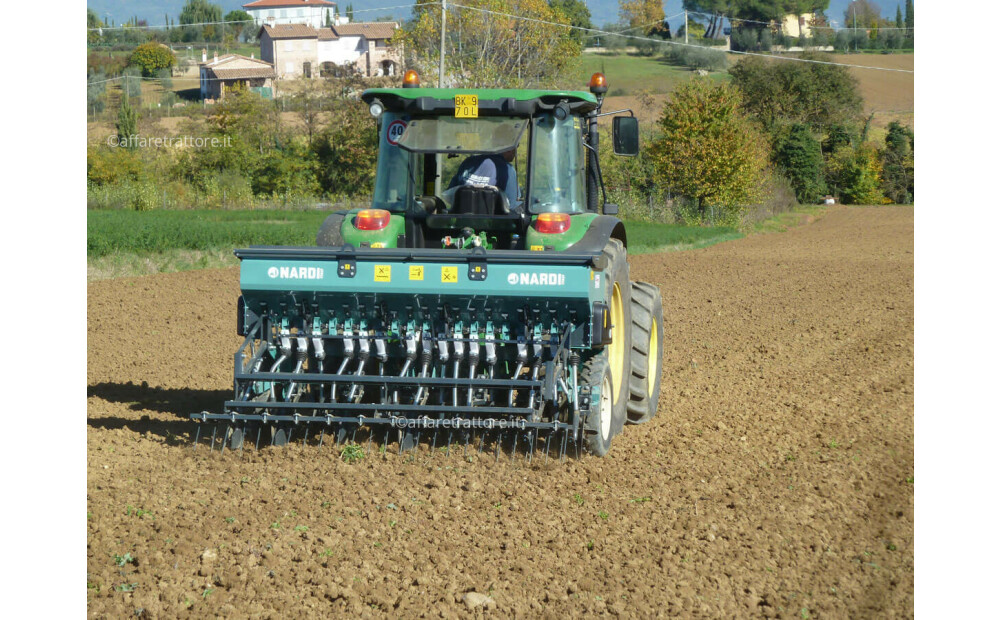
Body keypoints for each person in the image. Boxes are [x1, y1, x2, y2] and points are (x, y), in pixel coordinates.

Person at [447, 148, 519, 209]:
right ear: (509, 149)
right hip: (492, 223)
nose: (515, 153)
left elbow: (450, 196)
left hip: (462, 220)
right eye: (516, 147)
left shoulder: (468, 162)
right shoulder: (507, 170)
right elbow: (512, 204)